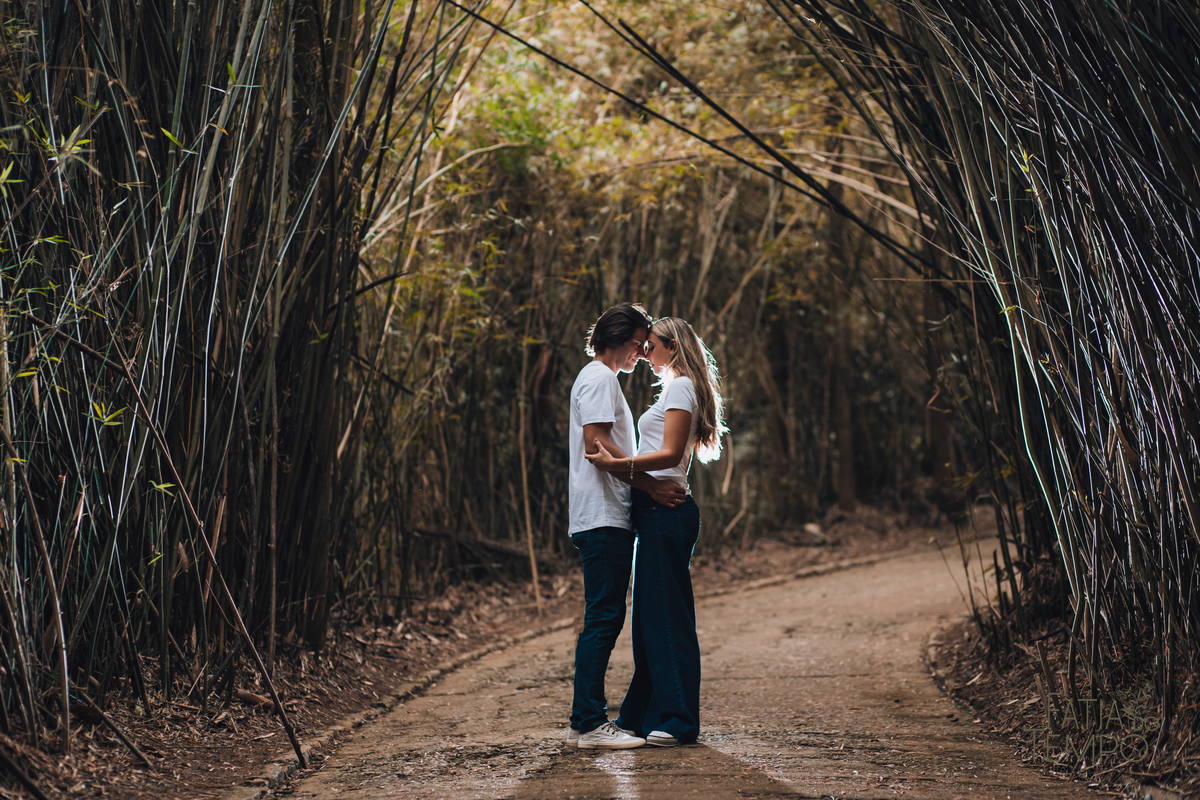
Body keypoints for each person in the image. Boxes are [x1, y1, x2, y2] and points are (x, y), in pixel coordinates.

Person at [586, 316, 726, 747]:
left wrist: (617, 466)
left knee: (666, 617)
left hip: (667, 511)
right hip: (654, 512)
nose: (645, 353)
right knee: (651, 618)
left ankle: (678, 719)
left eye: (651, 345)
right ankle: (640, 715)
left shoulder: (682, 385)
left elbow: (667, 453)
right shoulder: (677, 387)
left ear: (674, 346)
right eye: (643, 346)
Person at [567, 303, 687, 750]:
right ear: (619, 337)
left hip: (602, 514)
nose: (642, 352)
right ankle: (591, 723)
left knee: (603, 615)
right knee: (603, 617)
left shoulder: (599, 378)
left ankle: (585, 721)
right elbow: (596, 445)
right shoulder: (599, 377)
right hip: (601, 515)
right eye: (639, 343)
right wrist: (651, 487)